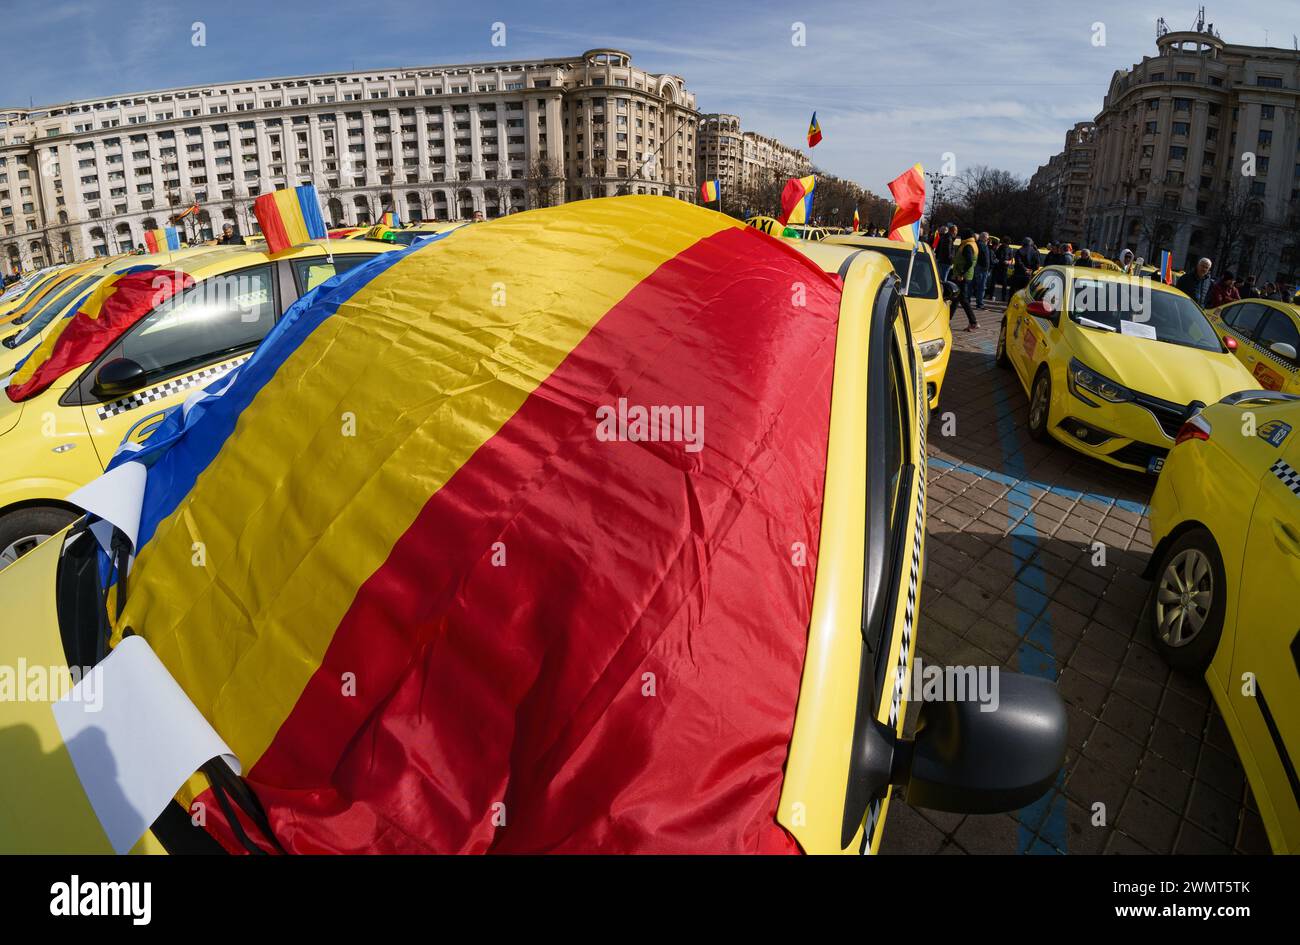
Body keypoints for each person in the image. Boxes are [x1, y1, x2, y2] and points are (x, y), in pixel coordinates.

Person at [949, 229, 979, 331]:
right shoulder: (971, 244)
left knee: (962, 299)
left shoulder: (967, 246)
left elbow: (969, 261)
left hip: (962, 276)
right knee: (956, 299)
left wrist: (961, 273)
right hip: (964, 275)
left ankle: (973, 322)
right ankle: (947, 320)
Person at [972, 231, 991, 310]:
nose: (988, 240)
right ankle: (979, 303)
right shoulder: (981, 245)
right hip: (981, 268)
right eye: (987, 238)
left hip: (983, 268)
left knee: (979, 286)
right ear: (983, 237)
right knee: (981, 286)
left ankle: (979, 302)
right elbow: (983, 257)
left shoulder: (982, 244)